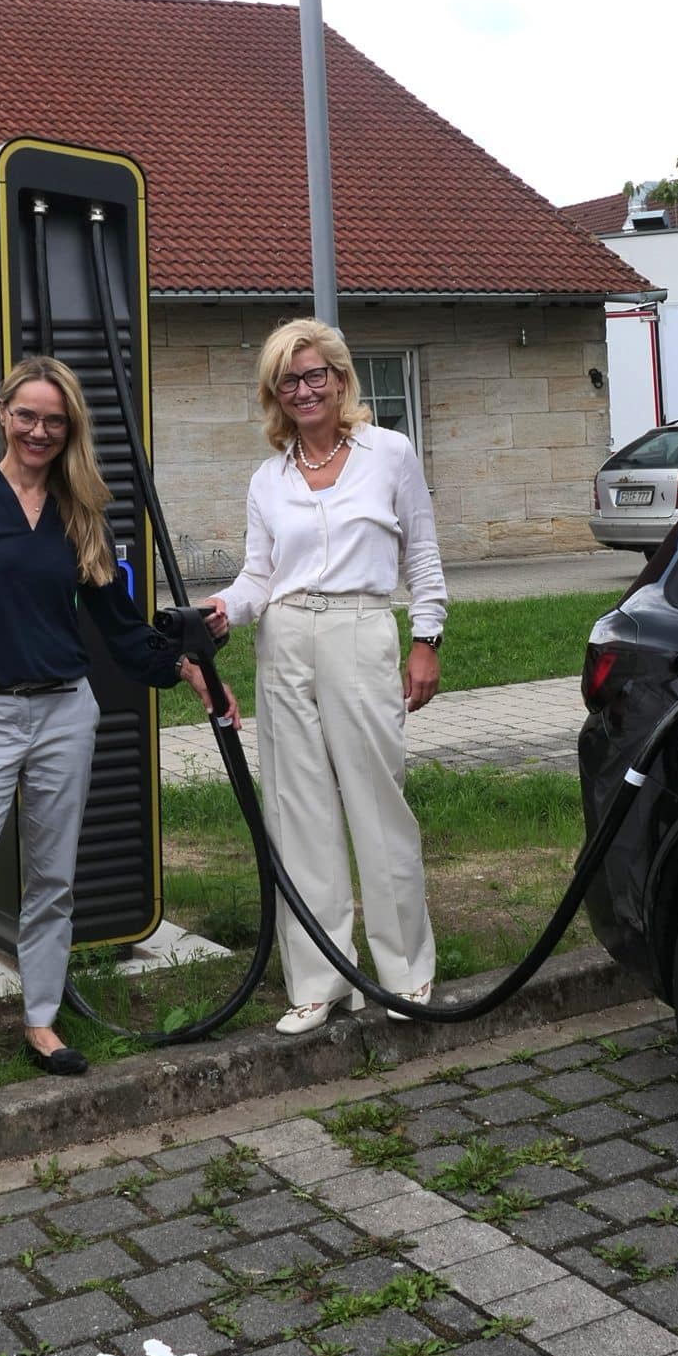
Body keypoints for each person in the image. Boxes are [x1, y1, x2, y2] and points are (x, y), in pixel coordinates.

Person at [0, 355, 239, 1118]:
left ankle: (40, 1022)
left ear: (69, 429)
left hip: (66, 713)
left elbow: (119, 631)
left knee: (53, 881)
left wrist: (185, 667)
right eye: (27, 415)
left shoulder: (81, 514)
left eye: (54, 420)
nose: (39, 431)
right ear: (3, 413)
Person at [202, 320, 446, 1035]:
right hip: (284, 637)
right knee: (297, 809)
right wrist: (223, 611)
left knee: (378, 804)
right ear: (275, 395)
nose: (305, 389)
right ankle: (320, 981)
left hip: (361, 628)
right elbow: (258, 576)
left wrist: (426, 638)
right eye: (289, 380)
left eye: (316, 375)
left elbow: (423, 557)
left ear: (341, 380)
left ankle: (405, 974)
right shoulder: (268, 479)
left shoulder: (388, 455)